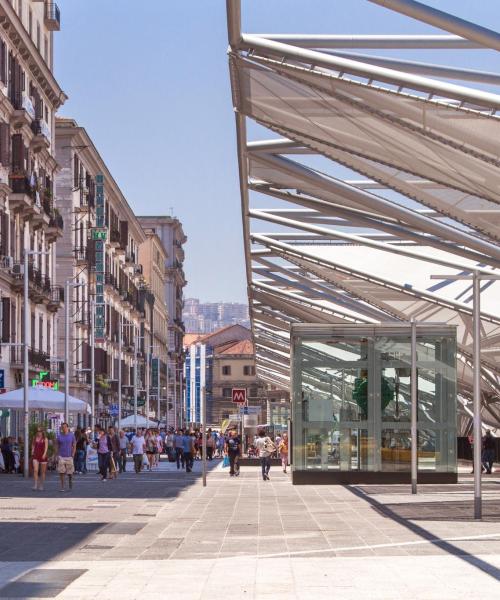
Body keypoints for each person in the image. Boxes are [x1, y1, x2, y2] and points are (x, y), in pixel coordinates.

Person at [55, 423, 76, 492]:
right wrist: (56, 454)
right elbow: (57, 445)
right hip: (61, 456)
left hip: (69, 456)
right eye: (62, 427)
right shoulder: (59, 436)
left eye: (65, 427)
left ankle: (70, 480)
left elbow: (74, 445)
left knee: (70, 472)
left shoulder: (71, 435)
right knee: (61, 472)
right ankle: (62, 486)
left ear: (67, 428)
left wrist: (73, 453)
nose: (63, 428)